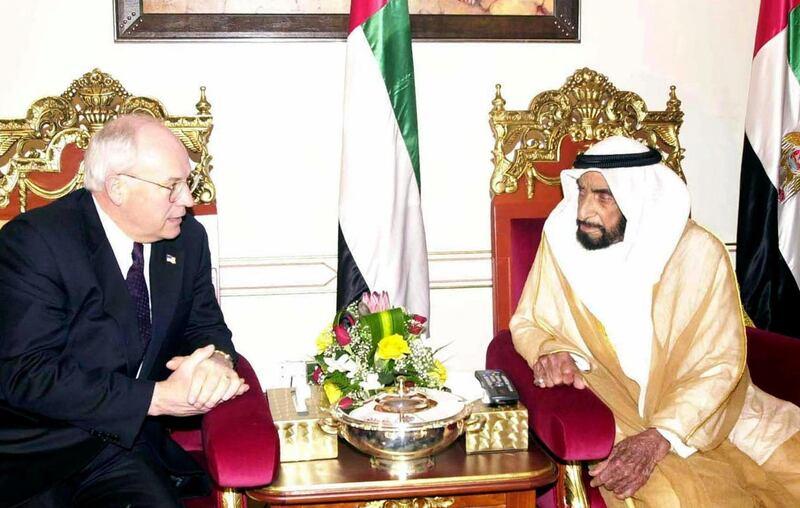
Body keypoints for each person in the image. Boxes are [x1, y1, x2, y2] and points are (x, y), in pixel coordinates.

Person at [510, 136, 800, 507]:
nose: (584, 210)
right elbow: (531, 320)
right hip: (618, 410)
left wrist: (662, 433)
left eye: (603, 197)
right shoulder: (563, 242)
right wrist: (551, 351)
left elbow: (718, 363)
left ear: (640, 200)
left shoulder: (698, 254)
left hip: (710, 409)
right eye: (582, 192)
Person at [0, 115, 249, 507]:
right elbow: (27, 374)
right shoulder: (35, 243)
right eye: (172, 186)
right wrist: (159, 398)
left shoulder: (187, 240)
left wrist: (215, 362)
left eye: (188, 183)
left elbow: (205, 324)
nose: (187, 199)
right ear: (117, 187)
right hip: (33, 455)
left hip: (121, 448)